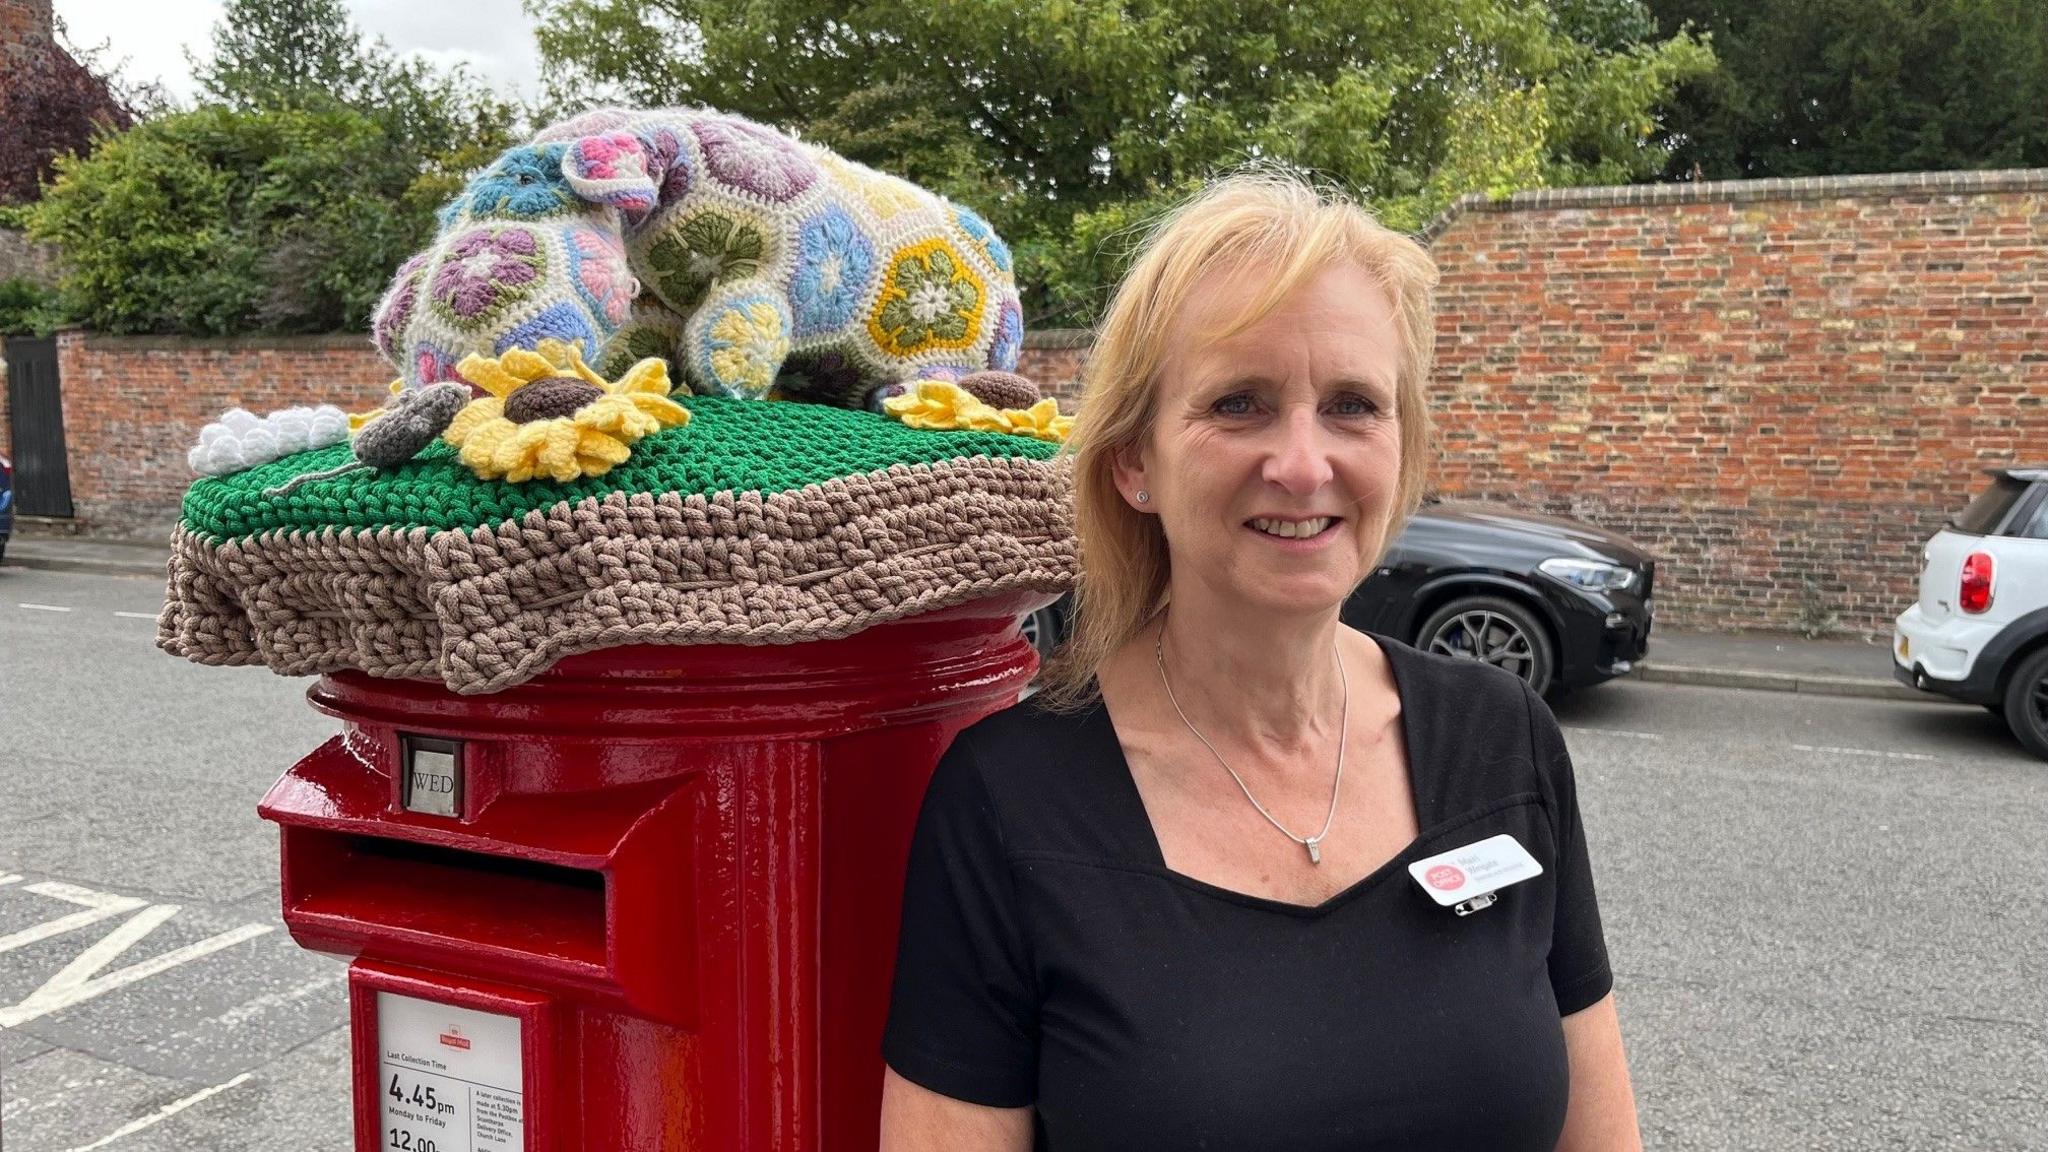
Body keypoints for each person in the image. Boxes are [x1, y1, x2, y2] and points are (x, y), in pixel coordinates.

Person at [878, 171, 1642, 1151]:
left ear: (1401, 447)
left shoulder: (1504, 739)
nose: (1300, 464)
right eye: (1238, 403)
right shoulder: (1006, 802)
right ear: (1133, 461)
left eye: (1352, 405)